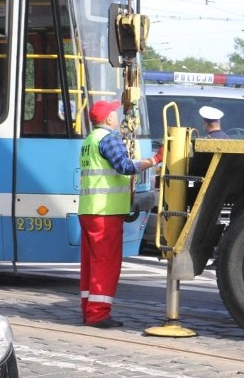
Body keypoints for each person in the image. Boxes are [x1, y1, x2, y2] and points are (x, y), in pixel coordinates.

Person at [78, 99, 162, 328]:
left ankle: (89, 309)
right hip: (106, 212)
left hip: (89, 210)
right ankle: (98, 315)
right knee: (105, 263)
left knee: (90, 263)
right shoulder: (108, 138)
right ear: (108, 119)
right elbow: (124, 166)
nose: (117, 116)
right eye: (114, 113)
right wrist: (154, 160)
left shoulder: (89, 140)